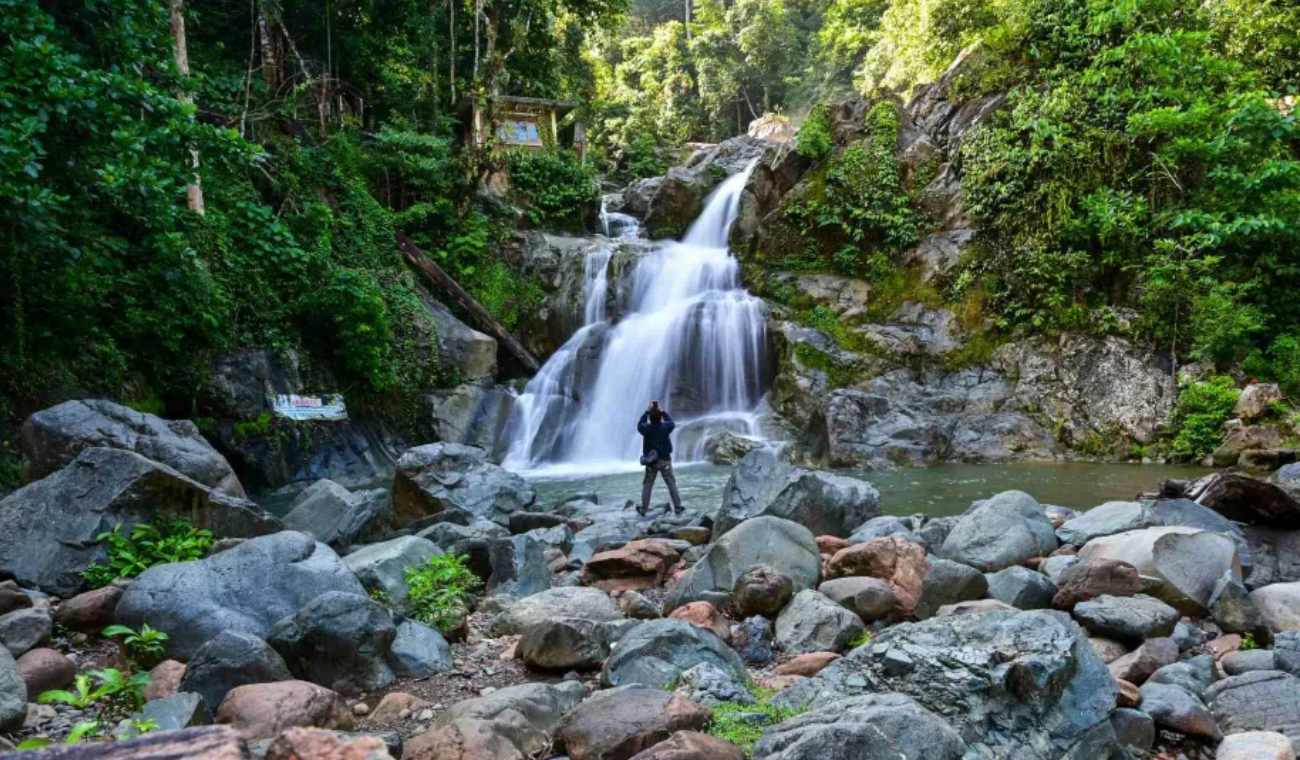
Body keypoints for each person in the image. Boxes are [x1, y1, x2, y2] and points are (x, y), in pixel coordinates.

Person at [637, 400, 683, 515]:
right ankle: (678, 508)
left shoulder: (646, 429)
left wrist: (647, 411)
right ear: (660, 418)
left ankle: (643, 509)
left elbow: (639, 425)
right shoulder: (665, 427)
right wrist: (662, 412)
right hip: (665, 461)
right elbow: (671, 423)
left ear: (650, 418)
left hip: (651, 462)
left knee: (647, 485)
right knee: (671, 484)